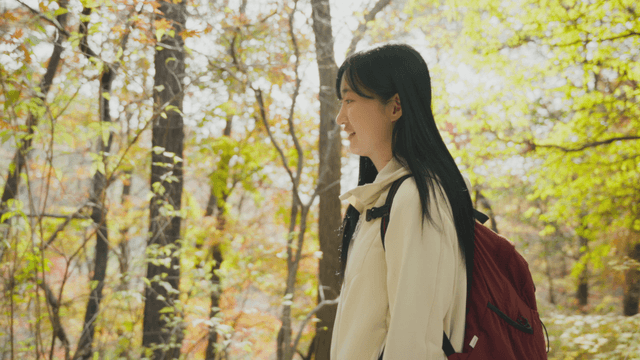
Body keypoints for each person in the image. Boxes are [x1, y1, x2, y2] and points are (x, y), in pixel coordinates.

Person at [330, 43, 476, 360]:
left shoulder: (418, 196)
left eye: (350, 100)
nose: (340, 117)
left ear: (395, 106)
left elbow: (416, 342)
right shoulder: (383, 197)